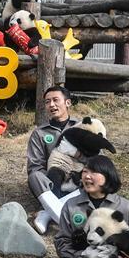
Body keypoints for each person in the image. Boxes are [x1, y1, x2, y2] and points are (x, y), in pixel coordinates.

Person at [27, 85, 81, 234]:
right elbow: (35, 165)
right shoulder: (39, 133)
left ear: (68, 103)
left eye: (56, 100)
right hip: (52, 184)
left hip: (79, 181)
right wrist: (51, 178)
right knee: (34, 176)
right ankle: (68, 227)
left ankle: (46, 213)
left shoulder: (82, 126)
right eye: (47, 102)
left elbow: (97, 157)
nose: (51, 105)